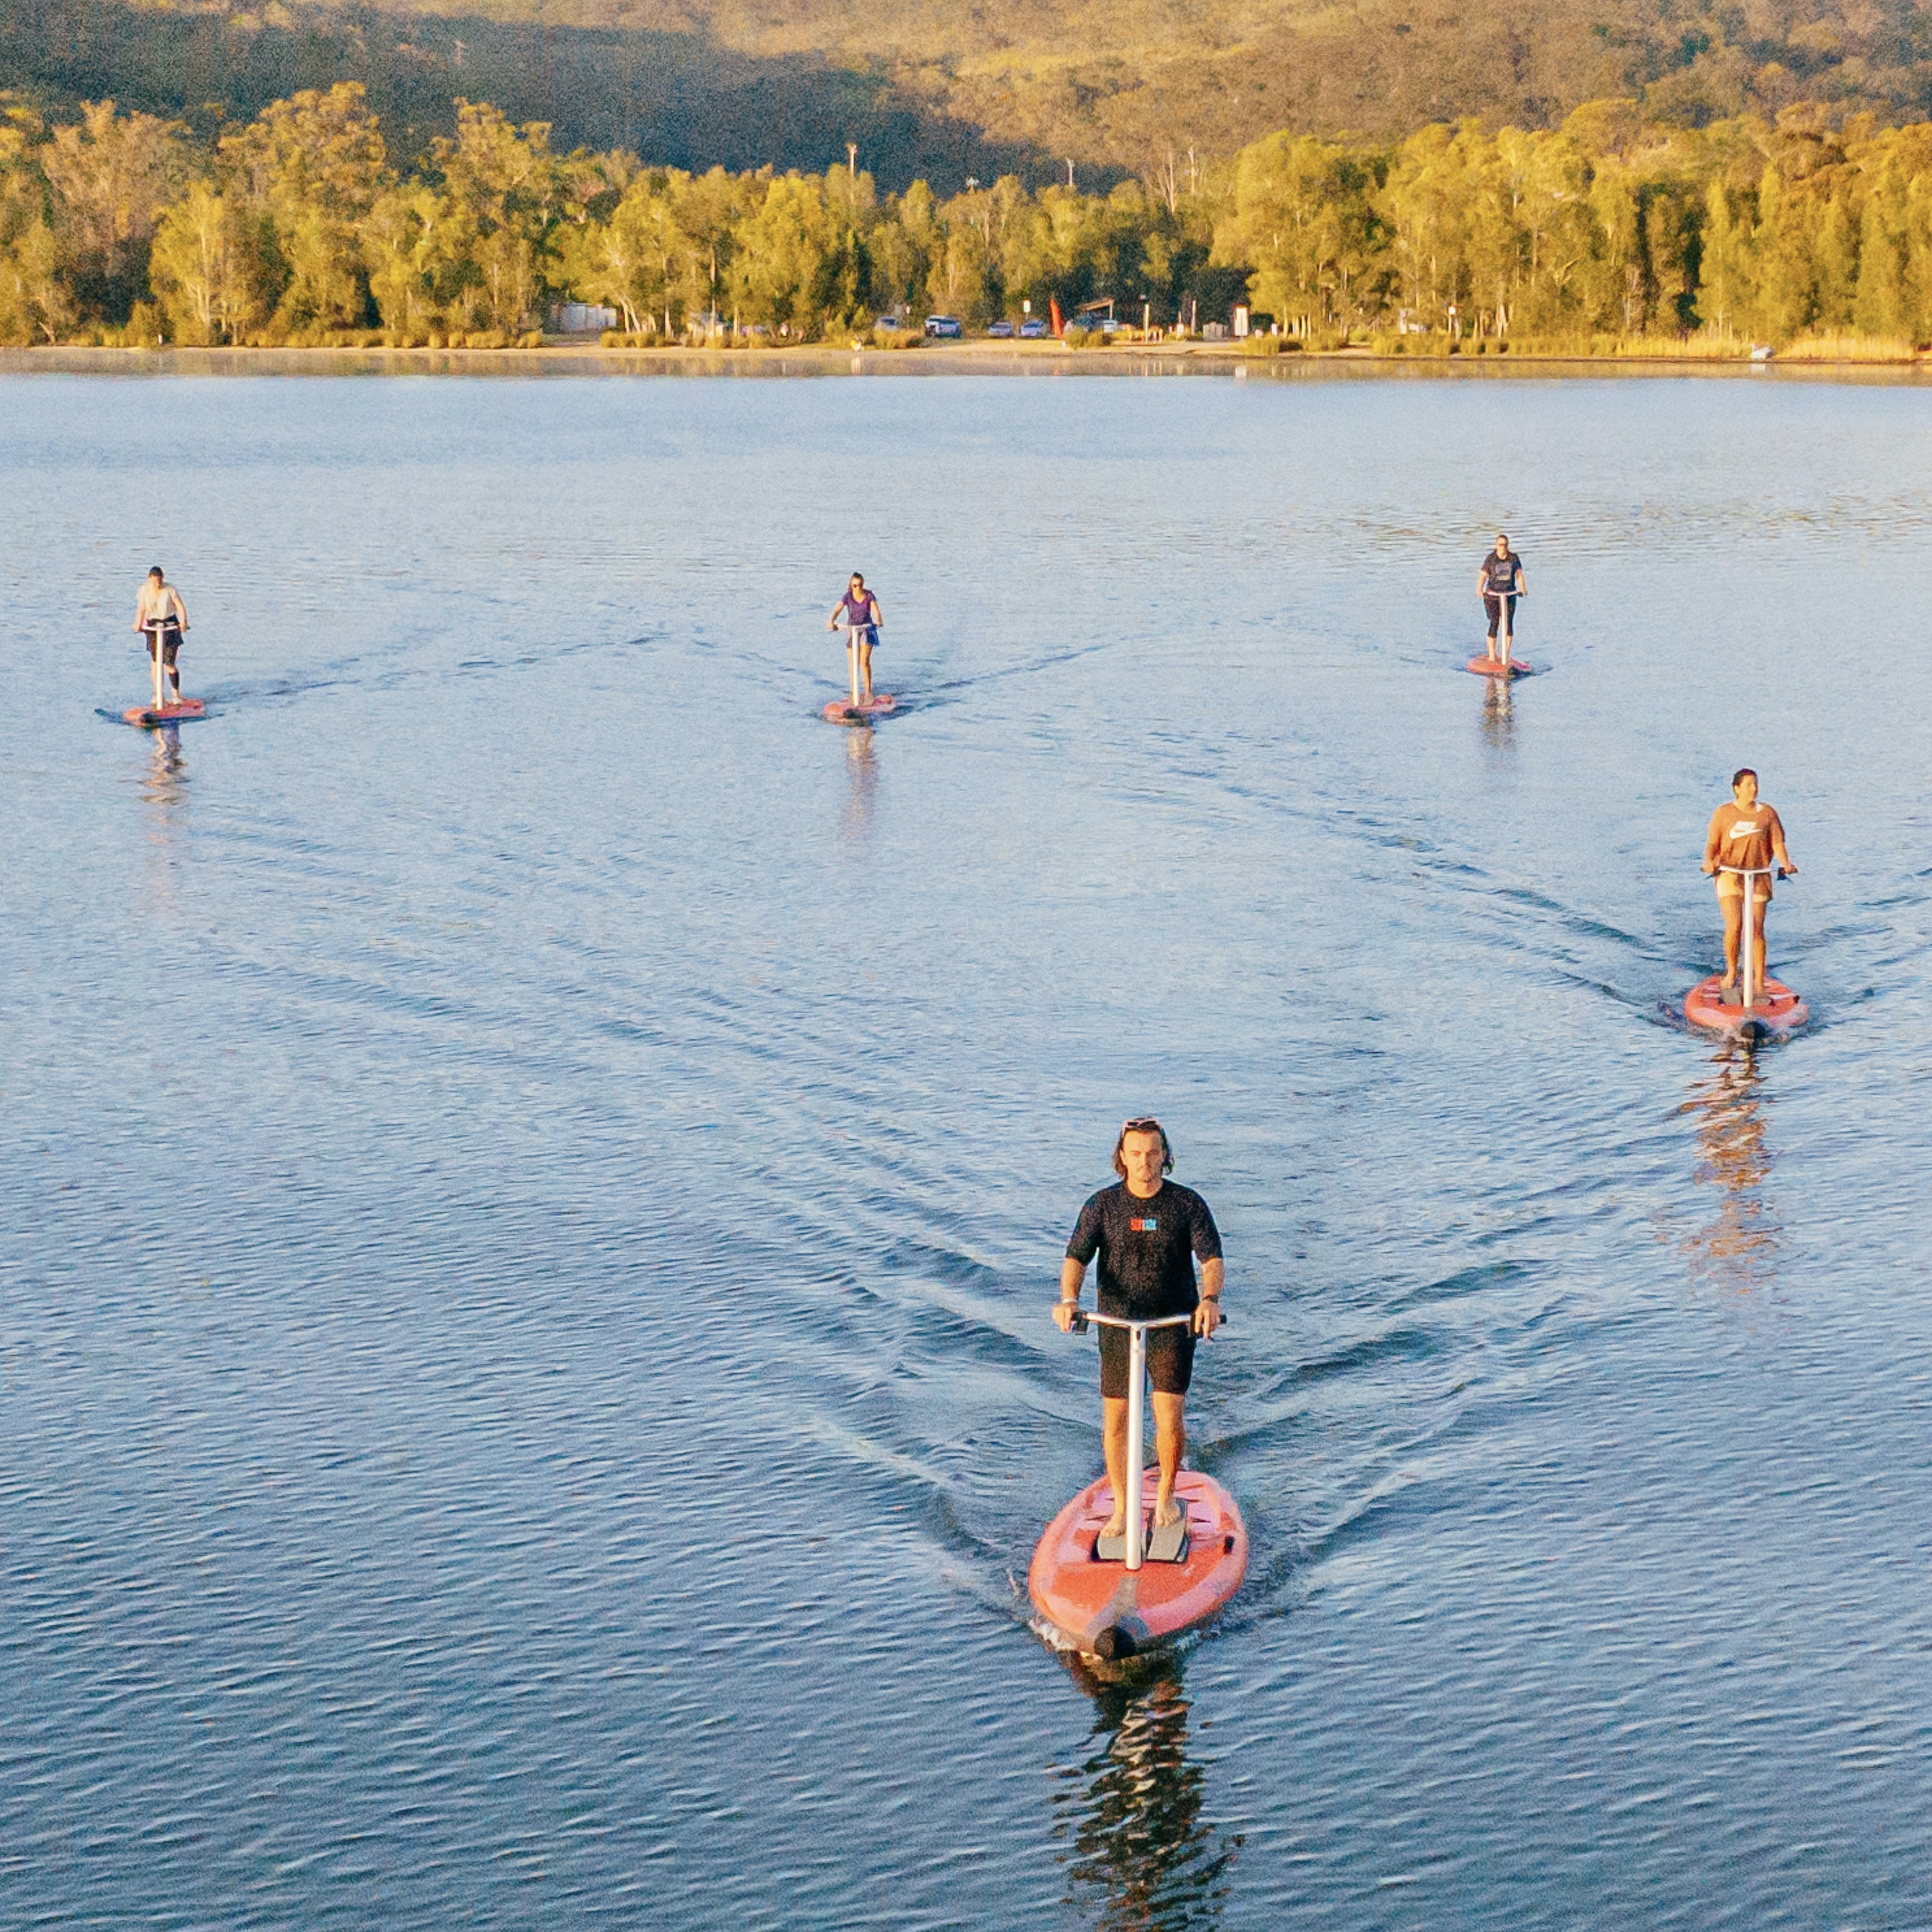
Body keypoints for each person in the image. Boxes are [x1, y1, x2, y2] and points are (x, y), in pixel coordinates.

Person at [1054, 1118, 1224, 1537]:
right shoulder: (1102, 1206)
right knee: (1116, 1419)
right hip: (1116, 1326)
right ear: (1122, 1157)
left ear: (1165, 1156)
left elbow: (1211, 1258)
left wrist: (1209, 1300)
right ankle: (1122, 1508)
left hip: (1171, 1325)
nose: (1144, 1162)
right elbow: (1076, 1257)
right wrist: (1070, 1301)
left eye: (1152, 1153)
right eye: (1135, 1153)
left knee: (1167, 1415)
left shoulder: (1186, 1205)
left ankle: (1166, 1495)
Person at [1701, 768, 1797, 998]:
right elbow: (1712, 845)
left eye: (1756, 785)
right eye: (1748, 785)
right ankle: (1732, 972)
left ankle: (1759, 981)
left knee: (1756, 928)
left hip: (1759, 875)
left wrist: (1786, 864)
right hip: (1730, 874)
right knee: (1735, 924)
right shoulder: (1723, 813)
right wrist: (1708, 862)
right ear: (1737, 789)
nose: (1753, 789)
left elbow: (1777, 844)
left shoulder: (1768, 814)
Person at [133, 566, 189, 702]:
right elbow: (141, 609)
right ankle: (158, 694)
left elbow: (180, 607)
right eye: (155, 582)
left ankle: (176, 695)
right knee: (156, 661)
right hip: (153, 625)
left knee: (169, 663)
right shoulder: (144, 591)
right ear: (150, 578)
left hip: (169, 625)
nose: (157, 584)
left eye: (160, 581)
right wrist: (138, 624)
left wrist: (184, 622)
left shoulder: (170, 590)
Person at [826, 572, 882, 701]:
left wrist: (879, 621)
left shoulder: (869, 596)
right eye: (855, 586)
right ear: (851, 586)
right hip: (853, 630)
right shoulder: (848, 597)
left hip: (866, 630)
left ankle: (868, 692)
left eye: (860, 585)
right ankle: (854, 693)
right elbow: (838, 609)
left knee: (864, 661)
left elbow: (876, 611)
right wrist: (832, 621)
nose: (858, 588)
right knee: (853, 663)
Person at [1475, 533, 1526, 664]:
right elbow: (1483, 576)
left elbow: (1519, 574)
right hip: (1493, 596)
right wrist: (1479, 589)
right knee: (1494, 623)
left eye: (1505, 545)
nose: (1503, 548)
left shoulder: (1514, 559)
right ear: (1496, 546)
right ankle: (1492, 656)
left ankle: (1506, 655)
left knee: (1508, 624)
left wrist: (1523, 589)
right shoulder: (1491, 559)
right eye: (1500, 545)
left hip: (1509, 595)